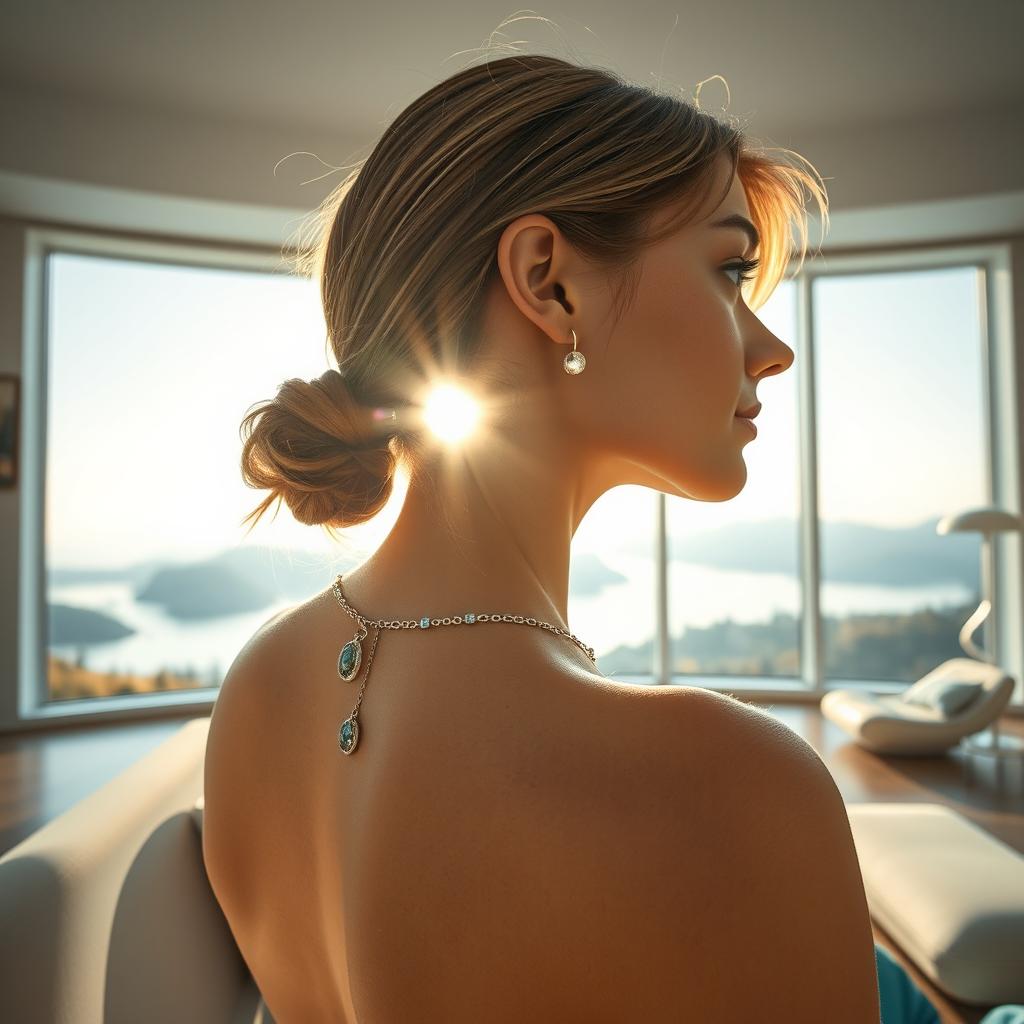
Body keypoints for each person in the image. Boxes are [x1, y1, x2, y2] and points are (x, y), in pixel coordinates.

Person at [200, 49, 1022, 1022]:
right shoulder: (737, 786)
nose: (774, 346)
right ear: (549, 284)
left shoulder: (256, 689)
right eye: (727, 269)